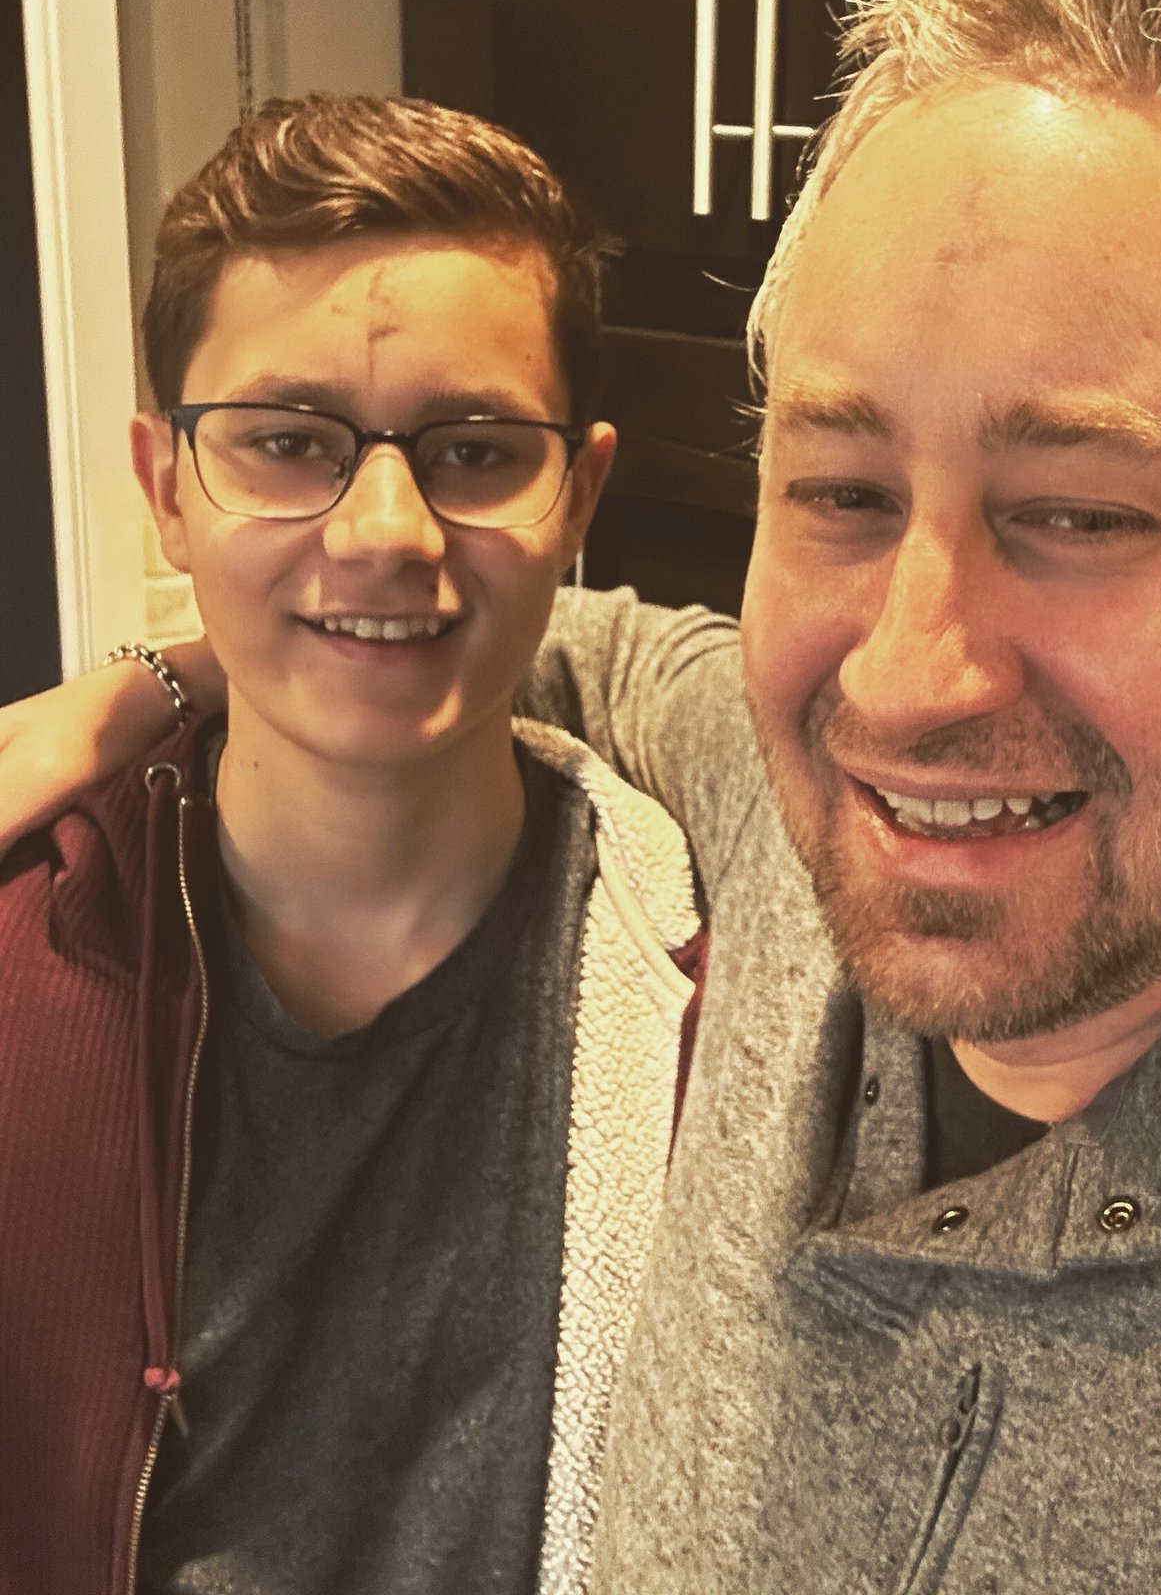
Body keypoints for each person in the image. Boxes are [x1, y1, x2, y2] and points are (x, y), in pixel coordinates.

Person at [6, 0, 1161, 1590]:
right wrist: (142, 688)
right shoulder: (782, 821)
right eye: (840, 492)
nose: (908, 687)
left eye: (1079, 516)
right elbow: (510, 621)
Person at [0, 95, 707, 1595]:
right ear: (165, 488)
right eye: (284, 443)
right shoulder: (18, 973)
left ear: (578, 493)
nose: (387, 527)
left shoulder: (732, 1007)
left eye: (471, 451)